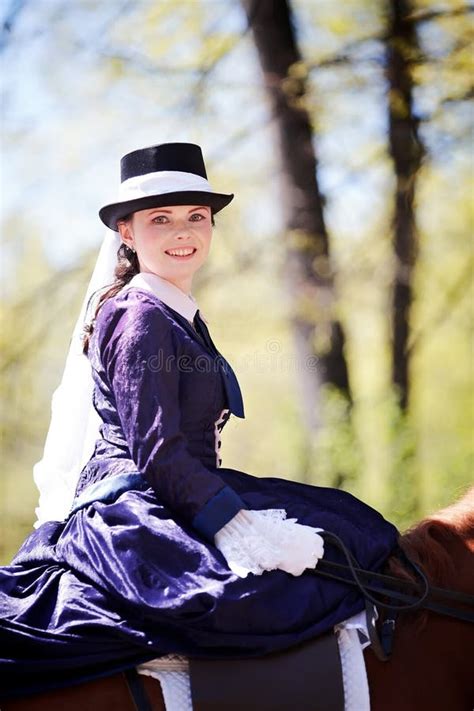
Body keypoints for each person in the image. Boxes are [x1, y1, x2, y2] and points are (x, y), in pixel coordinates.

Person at [0, 142, 398, 698]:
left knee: (356, 530)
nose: (182, 231)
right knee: (280, 585)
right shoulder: (140, 317)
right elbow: (159, 454)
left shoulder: (171, 311)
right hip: (144, 502)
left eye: (196, 217)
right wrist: (239, 529)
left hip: (176, 489)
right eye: (160, 219)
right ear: (127, 233)